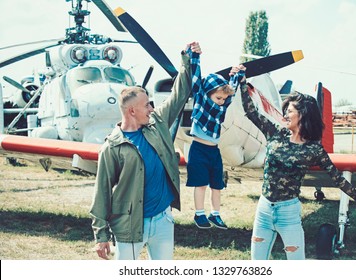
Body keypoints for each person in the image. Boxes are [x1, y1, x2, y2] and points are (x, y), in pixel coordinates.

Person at [239, 70, 356, 260]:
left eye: (289, 111)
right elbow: (251, 111)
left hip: (288, 214)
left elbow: (339, 180)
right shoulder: (274, 132)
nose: (285, 114)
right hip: (264, 210)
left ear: (302, 115)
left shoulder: (313, 149)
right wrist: (241, 82)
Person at [89, 42, 201, 260]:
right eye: (147, 105)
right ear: (132, 110)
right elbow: (101, 192)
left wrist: (188, 61)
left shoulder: (157, 123)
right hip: (130, 225)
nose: (152, 108)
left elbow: (179, 94)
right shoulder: (111, 147)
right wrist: (101, 235)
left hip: (163, 220)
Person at [185, 46, 245, 230]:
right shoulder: (201, 99)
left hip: (214, 150)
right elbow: (196, 77)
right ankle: (199, 213)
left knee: (217, 185)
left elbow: (232, 88)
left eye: (223, 99)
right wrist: (194, 55)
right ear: (208, 92)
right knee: (201, 184)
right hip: (198, 149)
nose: (221, 101)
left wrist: (237, 74)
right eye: (218, 97)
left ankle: (215, 214)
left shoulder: (223, 105)